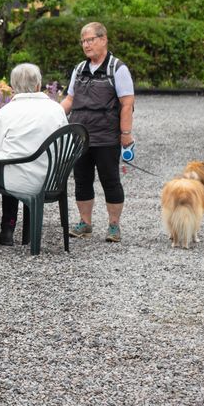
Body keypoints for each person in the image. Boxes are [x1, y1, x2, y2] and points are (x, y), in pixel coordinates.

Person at [0, 64, 68, 246]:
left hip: (13, 179)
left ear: (13, 87)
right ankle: (6, 230)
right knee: (9, 171)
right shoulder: (56, 109)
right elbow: (65, 146)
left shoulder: (7, 111)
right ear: (38, 84)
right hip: (47, 180)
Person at [60, 21, 135, 243]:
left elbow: (127, 103)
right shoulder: (79, 69)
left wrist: (126, 134)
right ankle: (85, 223)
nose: (86, 45)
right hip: (80, 136)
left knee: (110, 180)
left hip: (106, 137)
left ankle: (114, 225)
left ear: (103, 39)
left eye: (90, 40)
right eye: (83, 41)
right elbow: (70, 100)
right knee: (82, 181)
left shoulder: (117, 69)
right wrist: (52, 115)